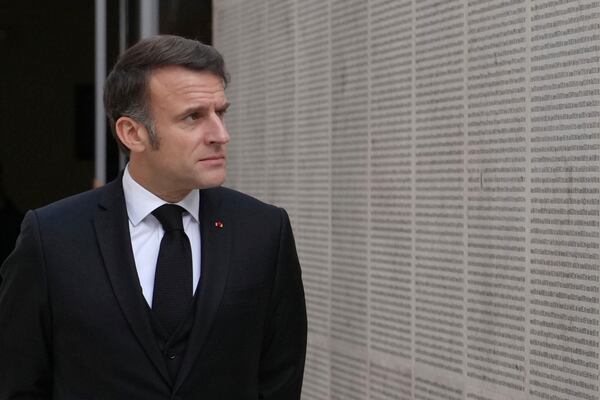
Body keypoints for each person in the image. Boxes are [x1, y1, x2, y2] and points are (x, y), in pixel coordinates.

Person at [0, 35, 307, 399]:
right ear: (133, 133)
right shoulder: (51, 237)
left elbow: (279, 379)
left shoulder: (264, 231)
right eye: (193, 117)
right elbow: (18, 383)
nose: (221, 135)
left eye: (220, 113)